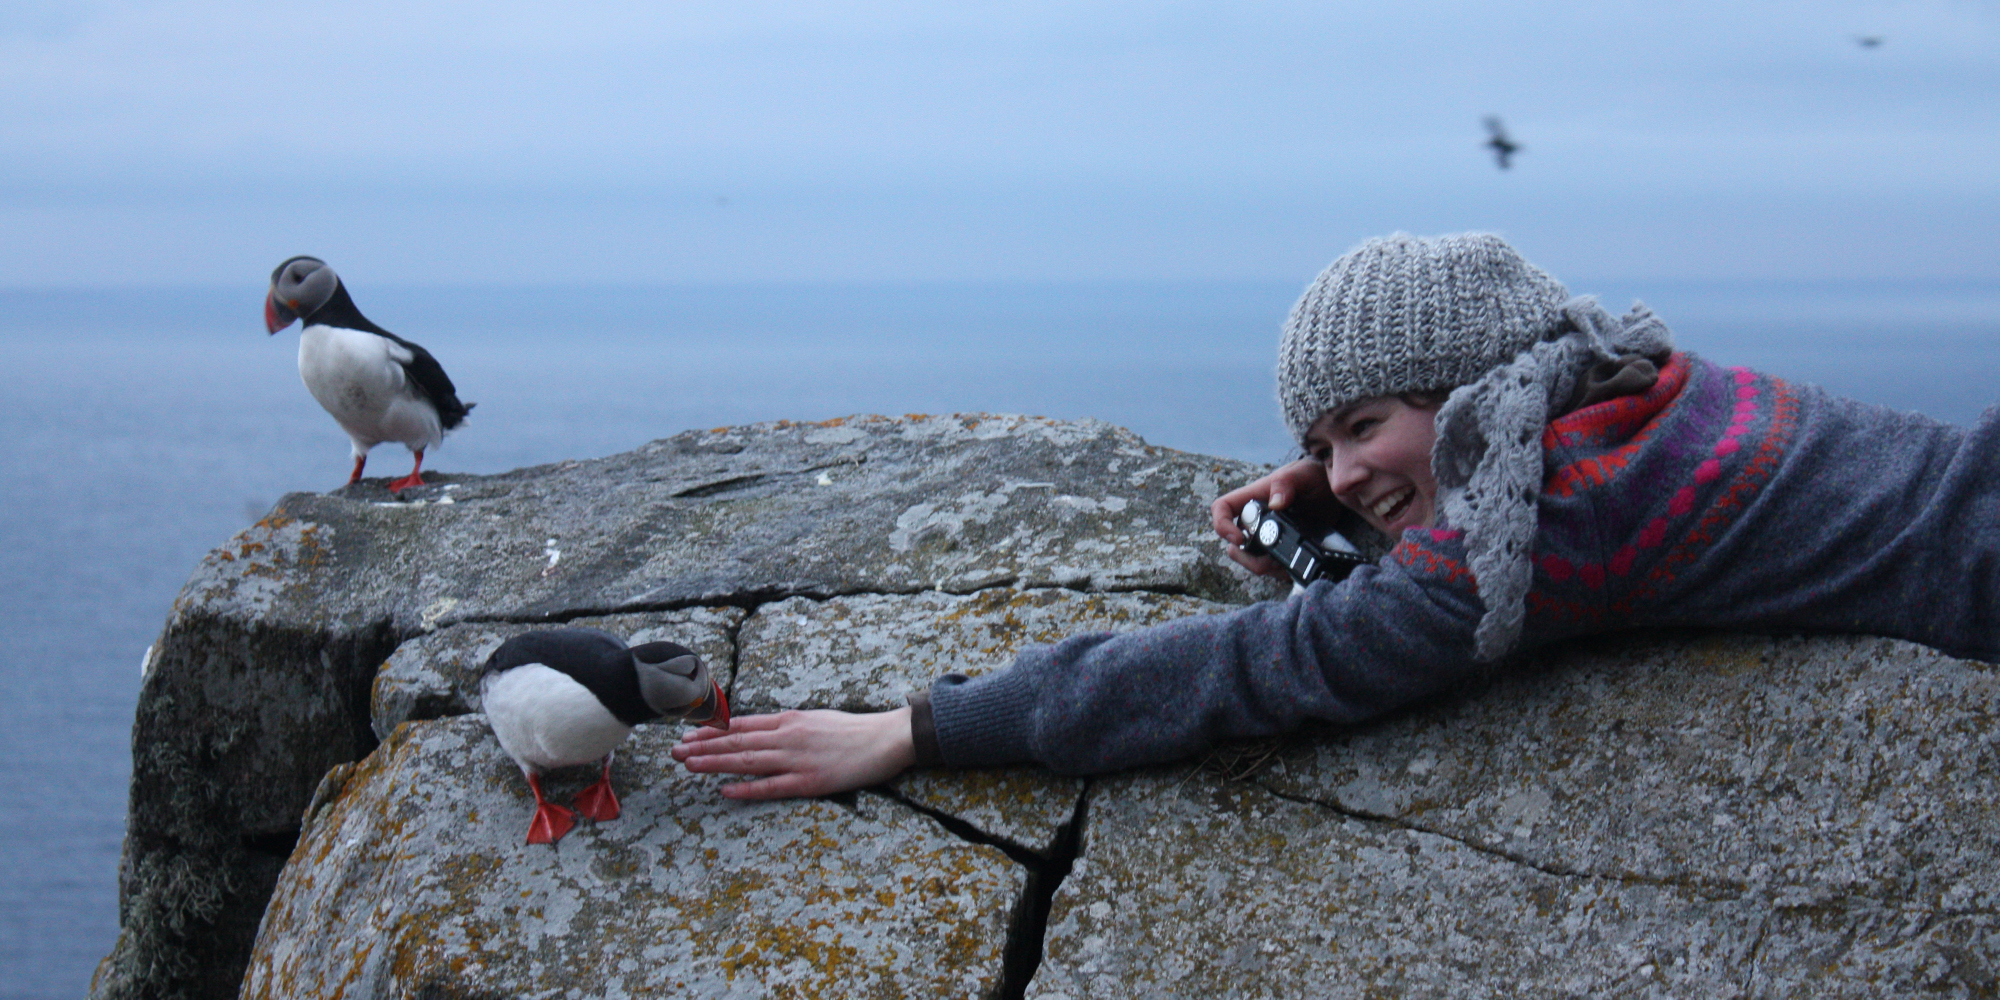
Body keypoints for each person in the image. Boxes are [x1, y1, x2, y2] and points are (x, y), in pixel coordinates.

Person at [672, 232, 2000, 799]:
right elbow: (1483, 469)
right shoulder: (1619, 386)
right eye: (1317, 439)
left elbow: (1281, 665)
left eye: (1360, 425)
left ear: (1475, 391)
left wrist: (923, 726)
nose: (1340, 468)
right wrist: (1365, 473)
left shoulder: (1562, 515)